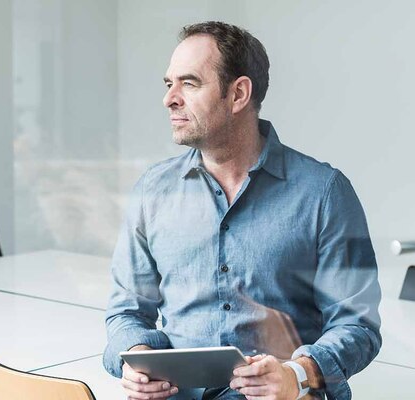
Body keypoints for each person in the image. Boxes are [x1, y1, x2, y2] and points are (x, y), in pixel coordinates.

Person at [103, 21, 381, 400]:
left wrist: (296, 375)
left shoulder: (324, 193)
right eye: (169, 84)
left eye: (189, 83)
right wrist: (135, 359)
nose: (170, 99)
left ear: (238, 95)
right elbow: (126, 312)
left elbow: (358, 325)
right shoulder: (153, 191)